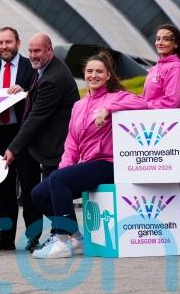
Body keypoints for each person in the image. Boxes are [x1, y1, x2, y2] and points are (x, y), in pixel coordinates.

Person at [31, 53, 148, 259]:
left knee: (57, 180)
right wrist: (64, 169)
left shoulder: (116, 96)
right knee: (39, 193)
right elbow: (72, 143)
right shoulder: (79, 105)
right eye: (90, 71)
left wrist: (108, 109)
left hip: (109, 163)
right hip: (88, 165)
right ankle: (76, 239)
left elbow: (144, 104)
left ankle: (62, 240)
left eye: (99, 71)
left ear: (108, 75)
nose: (94, 75)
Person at [3, 32, 80, 251]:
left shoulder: (52, 79)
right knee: (48, 194)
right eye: (30, 51)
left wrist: (13, 148)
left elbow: (36, 117)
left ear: (49, 50)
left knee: (48, 194)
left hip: (57, 147)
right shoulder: (45, 71)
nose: (33, 55)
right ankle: (70, 235)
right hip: (51, 146)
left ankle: (64, 235)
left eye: (37, 50)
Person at [0, 27, 38, 252]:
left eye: (8, 42)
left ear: (18, 43)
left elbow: (39, 96)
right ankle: (5, 238)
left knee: (30, 187)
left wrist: (24, 91)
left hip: (23, 134)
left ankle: (33, 238)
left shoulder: (31, 68)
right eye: (0, 42)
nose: (4, 46)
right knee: (4, 190)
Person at [143, 23, 180, 253]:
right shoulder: (155, 67)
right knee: (158, 185)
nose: (160, 42)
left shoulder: (176, 67)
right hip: (152, 131)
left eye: (166, 39)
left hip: (165, 133)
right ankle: (176, 232)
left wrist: (142, 107)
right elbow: (147, 98)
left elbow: (171, 102)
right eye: (158, 38)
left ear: (175, 44)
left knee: (168, 185)